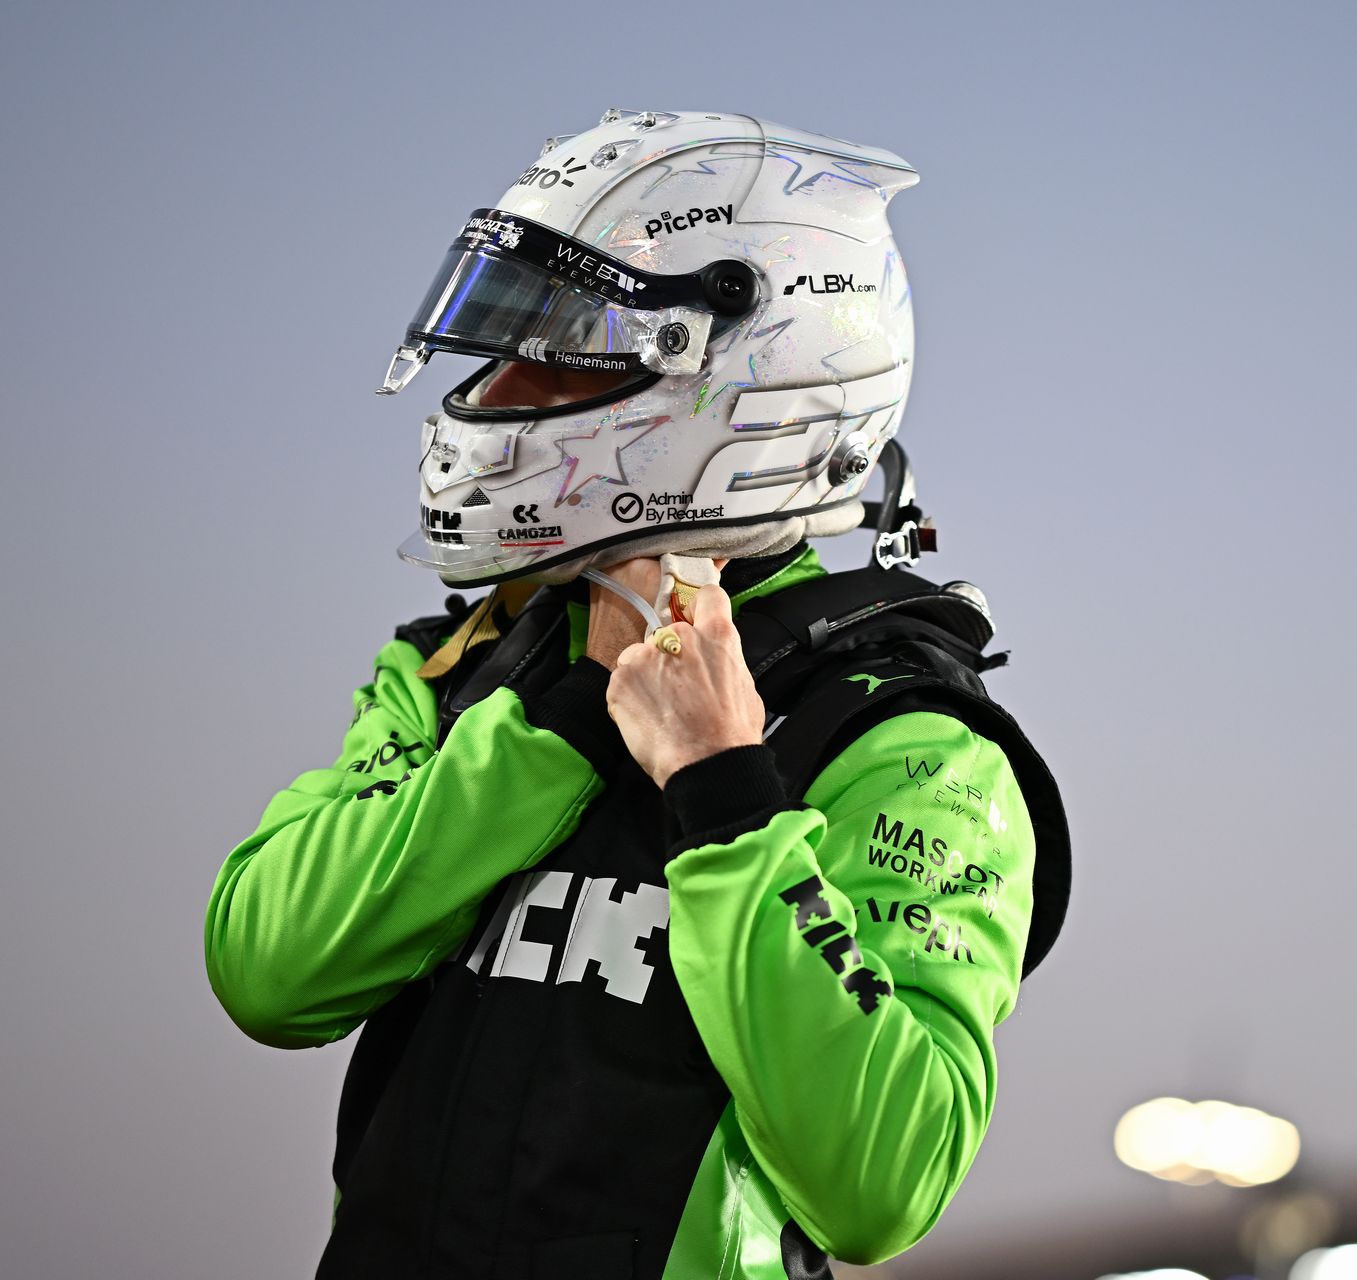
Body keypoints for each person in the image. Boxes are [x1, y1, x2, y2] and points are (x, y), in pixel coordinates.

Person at [202, 110, 1070, 1280]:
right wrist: (564, 718)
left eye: (564, 347)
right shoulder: (461, 668)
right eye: (503, 346)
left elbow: (881, 1181)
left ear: (738, 381)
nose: (497, 391)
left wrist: (727, 794)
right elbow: (268, 971)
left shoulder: (909, 744)